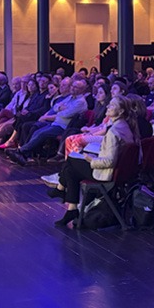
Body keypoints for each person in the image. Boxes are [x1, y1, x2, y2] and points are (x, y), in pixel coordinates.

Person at [50, 95, 140, 227]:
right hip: (120, 171)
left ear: (121, 111)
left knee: (70, 162)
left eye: (112, 105)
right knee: (71, 168)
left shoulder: (114, 132)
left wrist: (91, 159)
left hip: (107, 173)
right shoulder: (125, 126)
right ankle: (71, 208)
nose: (108, 107)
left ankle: (61, 188)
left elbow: (109, 161)